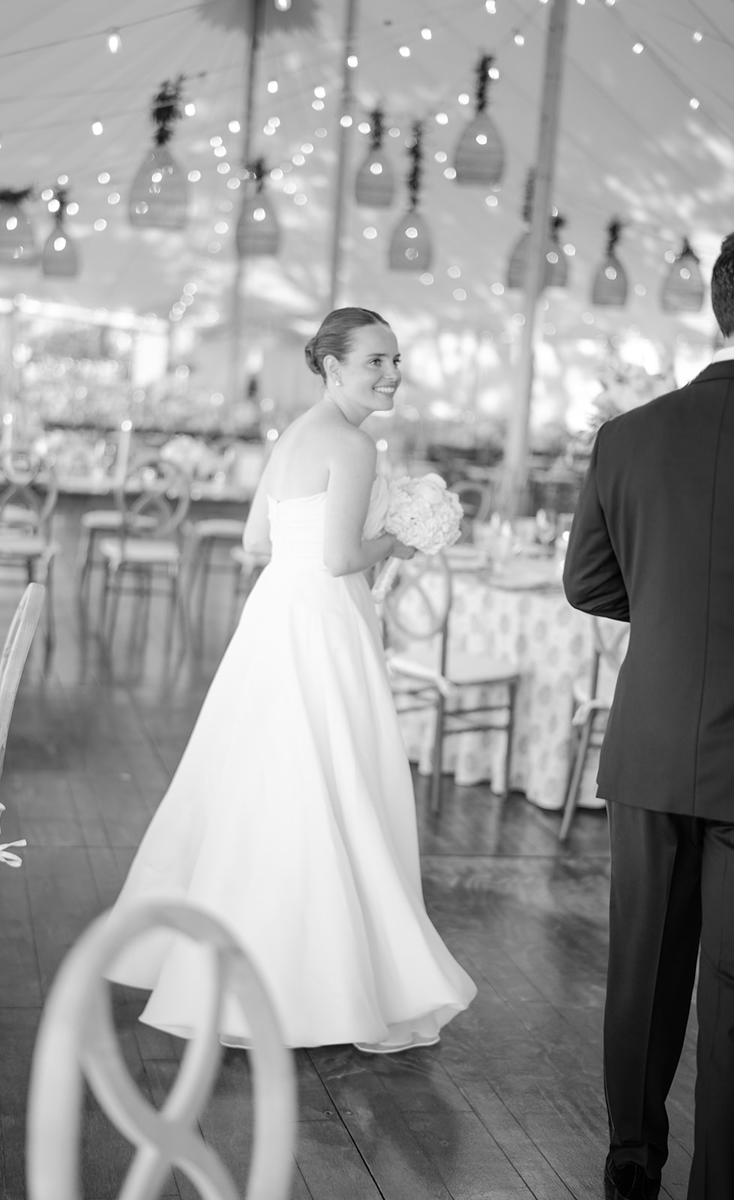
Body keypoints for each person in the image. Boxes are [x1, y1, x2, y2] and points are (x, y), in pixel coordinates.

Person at [107, 306, 476, 1052]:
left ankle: (235, 962)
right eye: (375, 361)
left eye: (396, 360)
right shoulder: (353, 444)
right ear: (333, 365)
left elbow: (255, 539)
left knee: (265, 781)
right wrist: (403, 535)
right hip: (323, 621)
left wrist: (373, 537)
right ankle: (321, 980)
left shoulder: (295, 438)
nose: (391, 374)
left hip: (276, 614)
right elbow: (342, 559)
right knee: (330, 780)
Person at [563, 234, 734, 1200]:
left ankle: (631, 1156)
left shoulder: (628, 435)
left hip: (654, 741)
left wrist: (669, 604)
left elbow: (588, 581)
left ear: (718, 306)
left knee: (643, 963)